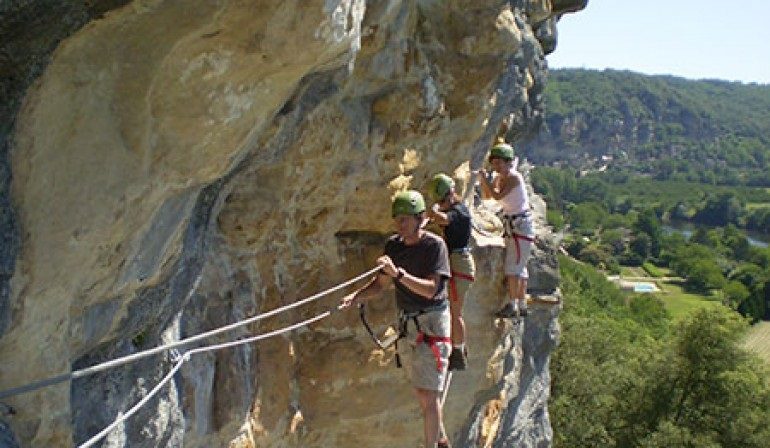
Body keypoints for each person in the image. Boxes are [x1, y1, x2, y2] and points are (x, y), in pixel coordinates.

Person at [340, 190, 453, 448]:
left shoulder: (435, 246)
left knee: (428, 393)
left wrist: (398, 274)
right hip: (409, 324)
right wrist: (356, 296)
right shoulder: (393, 246)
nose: (400, 224)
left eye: (406, 219)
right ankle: (442, 440)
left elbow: (431, 289)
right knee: (423, 392)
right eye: (397, 219)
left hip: (432, 323)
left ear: (421, 218)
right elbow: (380, 285)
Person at [478, 138, 535, 318]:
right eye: (494, 163)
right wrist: (487, 181)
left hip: (519, 226)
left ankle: (513, 305)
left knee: (513, 268)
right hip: (516, 225)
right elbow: (488, 196)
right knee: (520, 266)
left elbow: (496, 196)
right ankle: (521, 304)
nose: (496, 166)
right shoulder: (502, 177)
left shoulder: (513, 177)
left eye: (499, 163)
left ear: (508, 162)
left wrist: (483, 179)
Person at [426, 173, 475, 371]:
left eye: (441, 200)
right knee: (452, 309)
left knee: (455, 311)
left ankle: (458, 352)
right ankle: (459, 348)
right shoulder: (455, 209)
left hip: (459, 264)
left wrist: (433, 210)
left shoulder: (459, 211)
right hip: (457, 262)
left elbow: (443, 219)